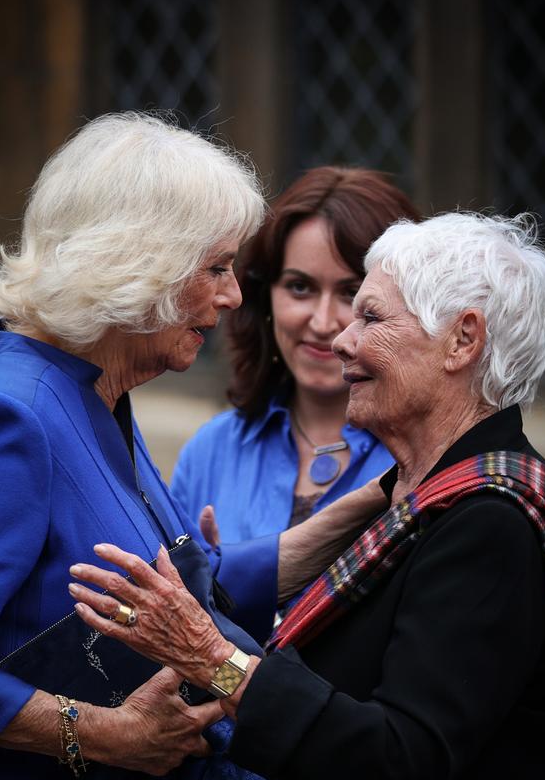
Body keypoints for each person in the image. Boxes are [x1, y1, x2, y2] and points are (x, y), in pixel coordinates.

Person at [0, 112, 386, 780]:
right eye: (214, 269)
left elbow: (167, 589)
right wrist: (105, 735)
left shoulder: (97, 393)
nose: (234, 297)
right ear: (136, 266)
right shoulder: (15, 413)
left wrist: (354, 524)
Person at [71, 211, 545, 780]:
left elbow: (400, 755)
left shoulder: (488, 524)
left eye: (369, 314)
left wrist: (216, 658)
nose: (340, 339)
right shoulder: (423, 498)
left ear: (463, 340)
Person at [171, 166, 420, 544]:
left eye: (352, 293)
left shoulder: (425, 459)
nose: (322, 323)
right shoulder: (211, 452)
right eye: (300, 287)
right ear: (264, 296)